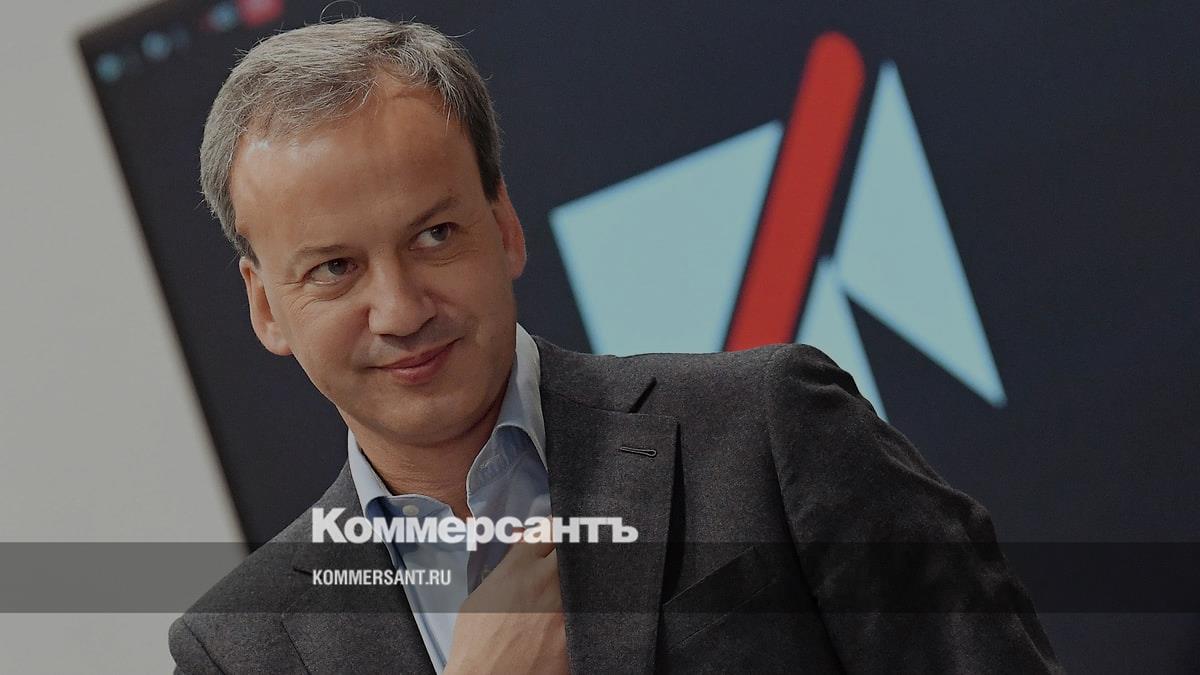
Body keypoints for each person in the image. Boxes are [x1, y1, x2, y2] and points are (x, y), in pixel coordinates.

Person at [169, 17, 1061, 674]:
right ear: (267, 306)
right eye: (334, 268)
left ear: (504, 226)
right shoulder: (238, 650)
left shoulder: (769, 429)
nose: (400, 309)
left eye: (435, 235)